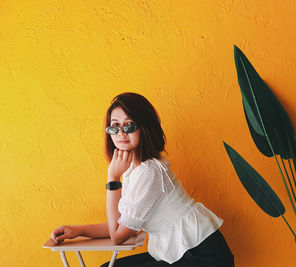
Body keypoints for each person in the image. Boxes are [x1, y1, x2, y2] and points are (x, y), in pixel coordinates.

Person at [50, 92, 234, 266]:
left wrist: (113, 179)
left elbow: (118, 236)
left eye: (129, 126)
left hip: (204, 257)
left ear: (144, 127)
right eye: (114, 126)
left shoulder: (149, 171)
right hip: (186, 252)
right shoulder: (134, 169)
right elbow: (123, 224)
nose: (120, 133)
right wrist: (78, 230)